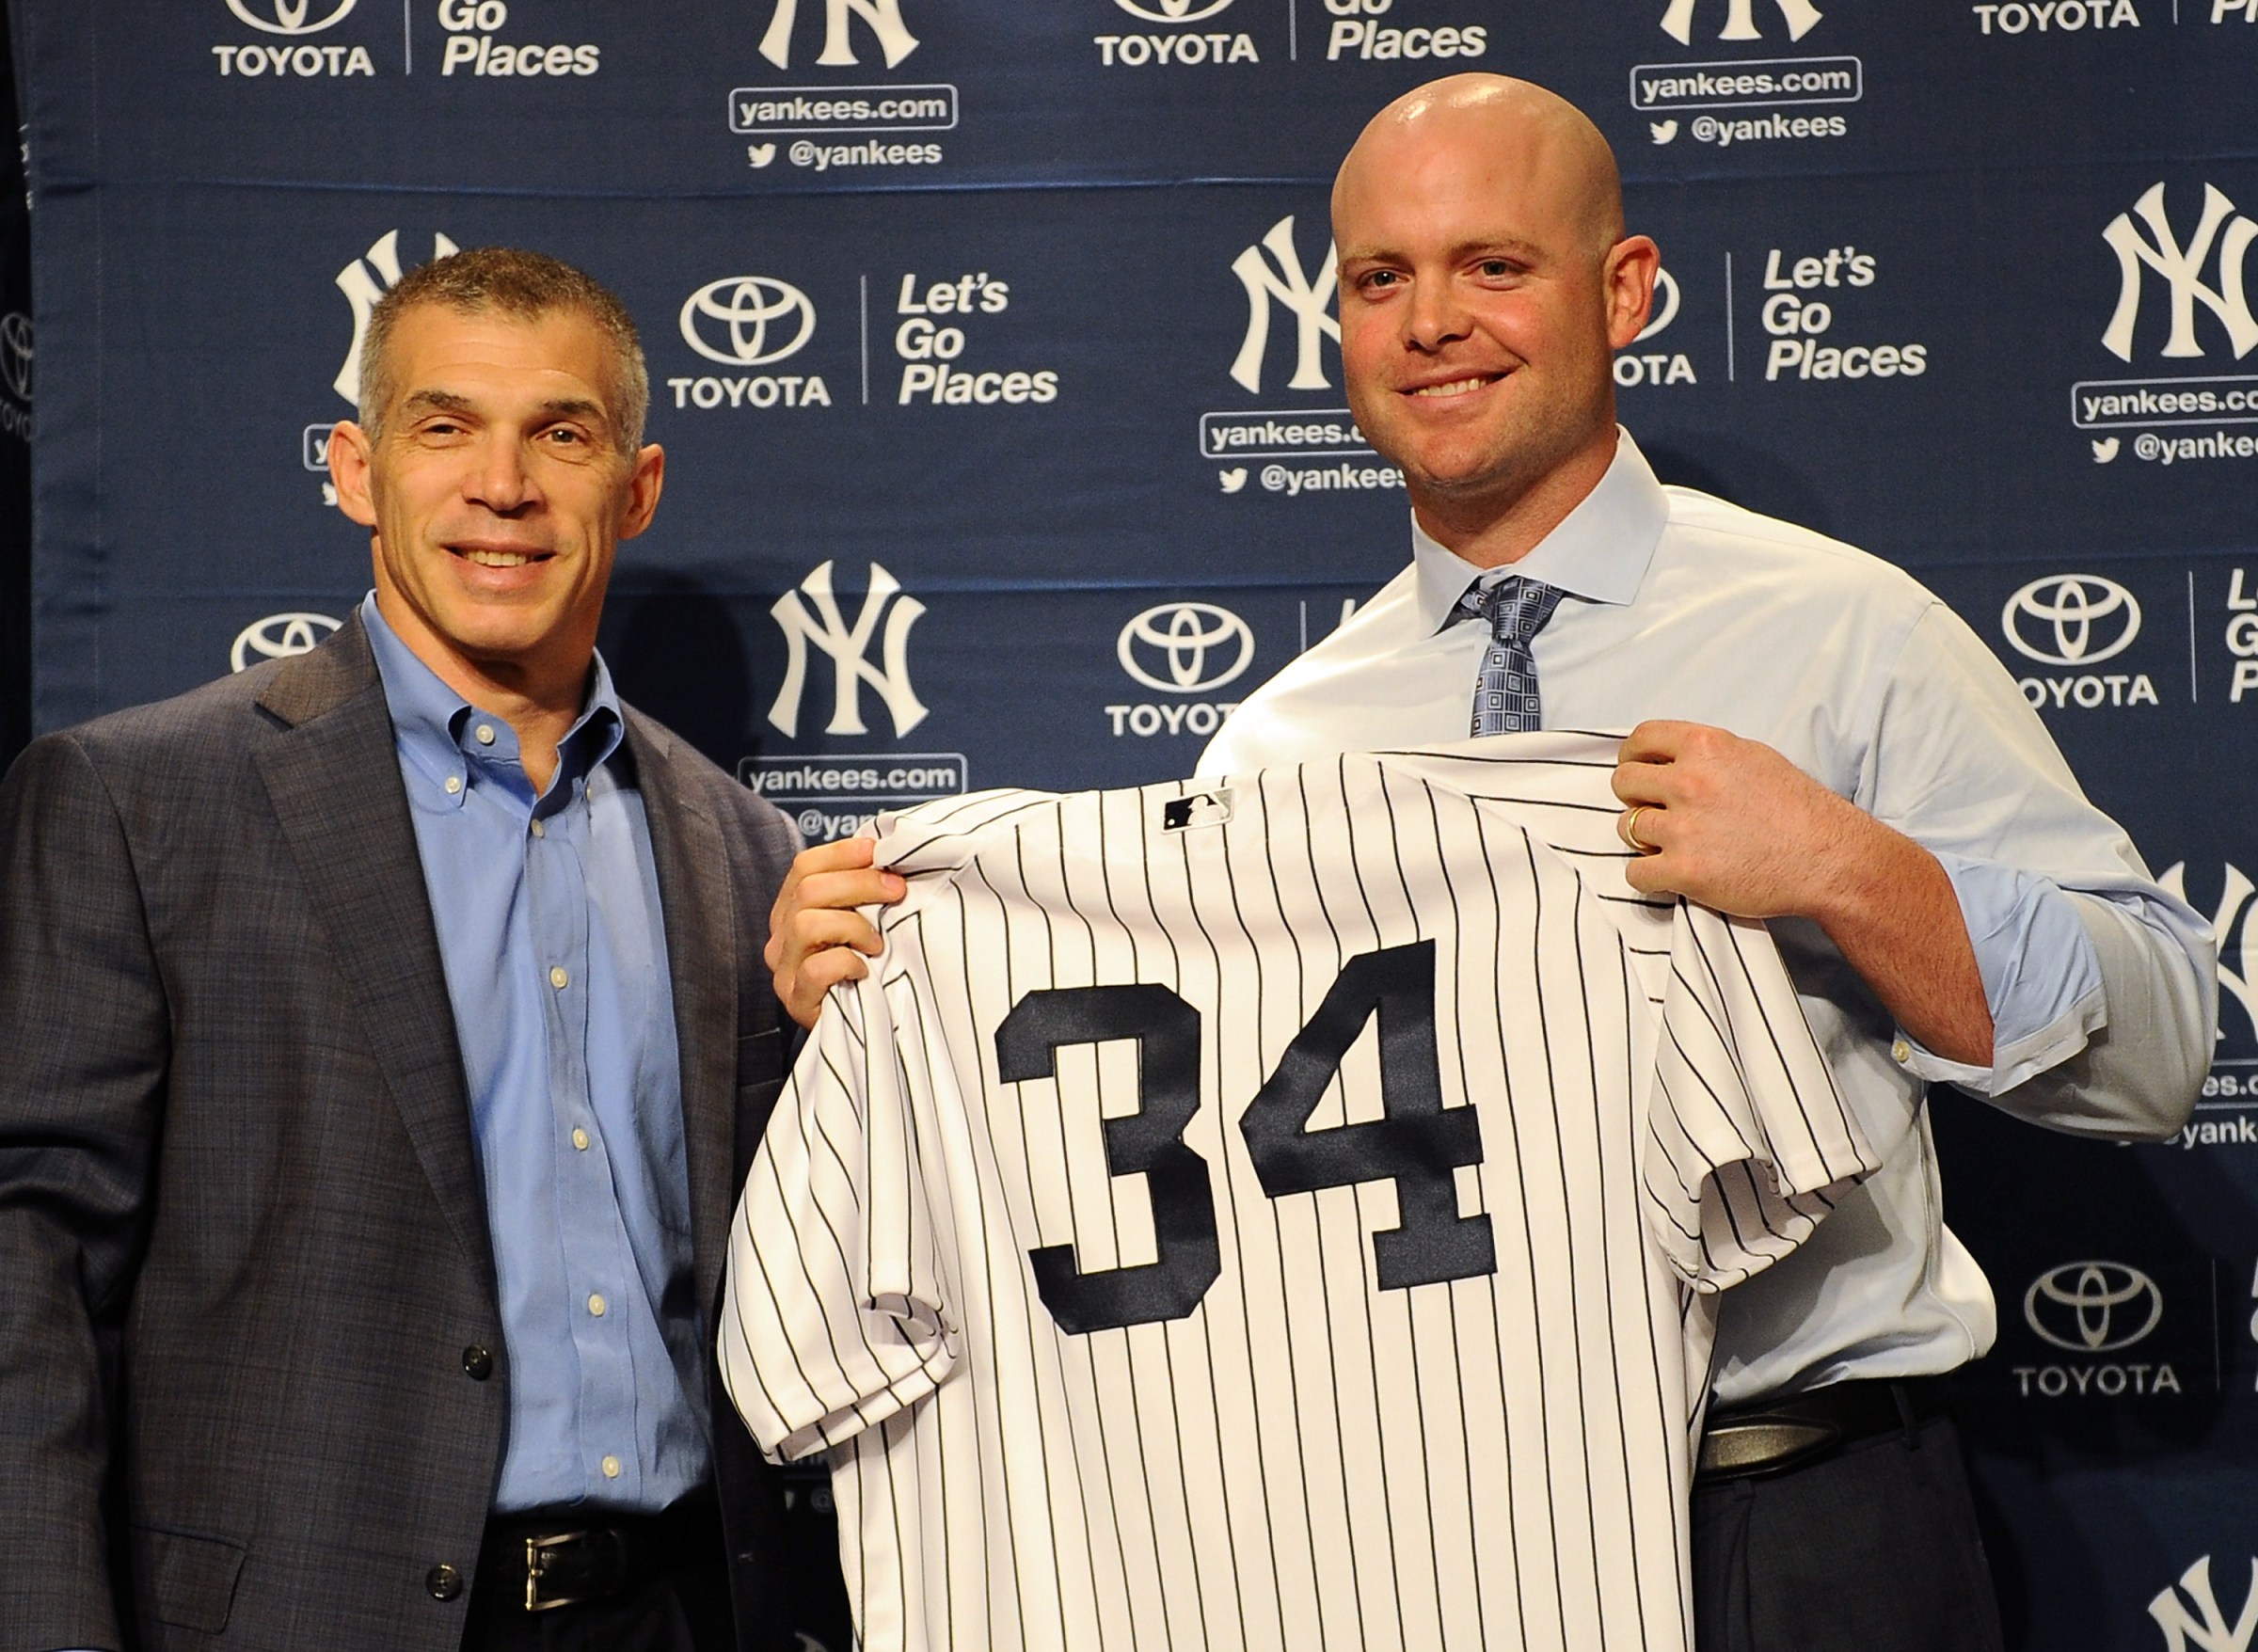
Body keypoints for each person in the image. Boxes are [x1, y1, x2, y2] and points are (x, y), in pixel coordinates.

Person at [767, 75, 2215, 1652]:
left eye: (1494, 266)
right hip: (1423, 1539)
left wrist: (1845, 868)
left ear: (1626, 290)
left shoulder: (1842, 632)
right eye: (1381, 279)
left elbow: (2158, 1051)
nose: (1432, 321)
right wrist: (878, 974)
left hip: (1796, 1520)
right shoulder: (1278, 747)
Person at [0, 248, 811, 1652]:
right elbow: (30, 1281)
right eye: (445, 428)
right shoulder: (140, 800)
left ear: (637, 486)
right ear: (356, 470)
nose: (504, 486)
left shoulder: (745, 850)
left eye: (562, 433)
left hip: (680, 1614)